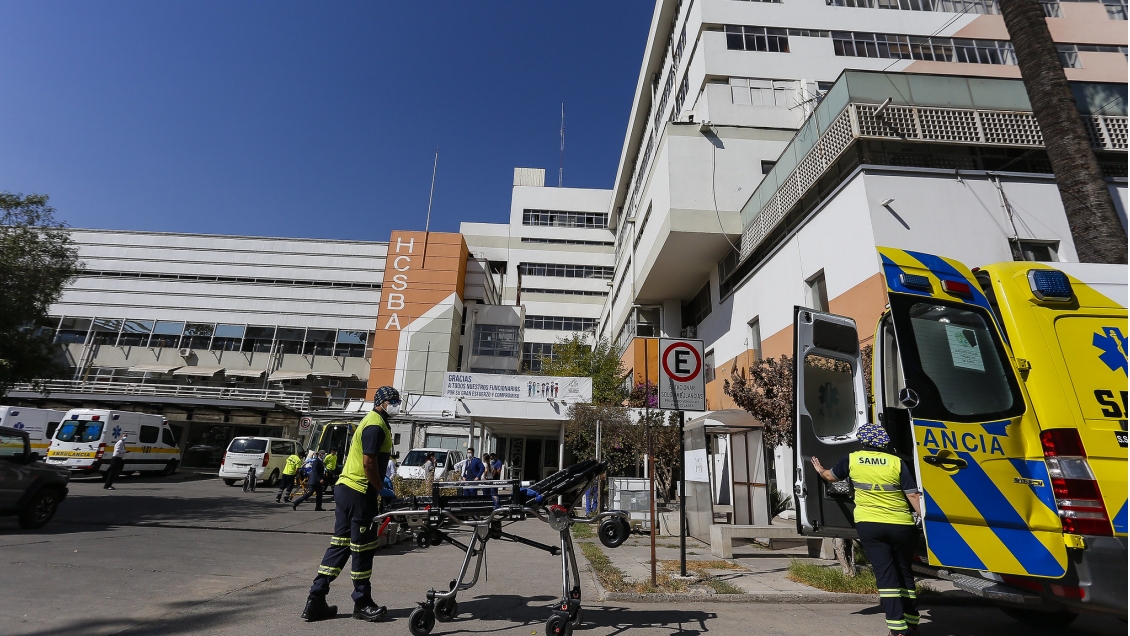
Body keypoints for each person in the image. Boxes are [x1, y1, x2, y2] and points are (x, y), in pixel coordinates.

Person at [811, 422, 922, 636]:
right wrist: (925, 521)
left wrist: (820, 469)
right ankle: (912, 622)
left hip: (870, 525)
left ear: (863, 441)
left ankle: (898, 629)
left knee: (886, 575)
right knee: (904, 572)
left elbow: (830, 477)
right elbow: (913, 495)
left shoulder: (853, 459)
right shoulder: (896, 462)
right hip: (901, 525)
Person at [301, 386, 400, 623]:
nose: (397, 404)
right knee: (363, 548)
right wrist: (380, 489)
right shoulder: (375, 424)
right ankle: (362, 603)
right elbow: (368, 463)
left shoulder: (374, 421)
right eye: (393, 400)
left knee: (341, 544)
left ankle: (315, 601)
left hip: (347, 490)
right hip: (359, 492)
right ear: (381, 402)